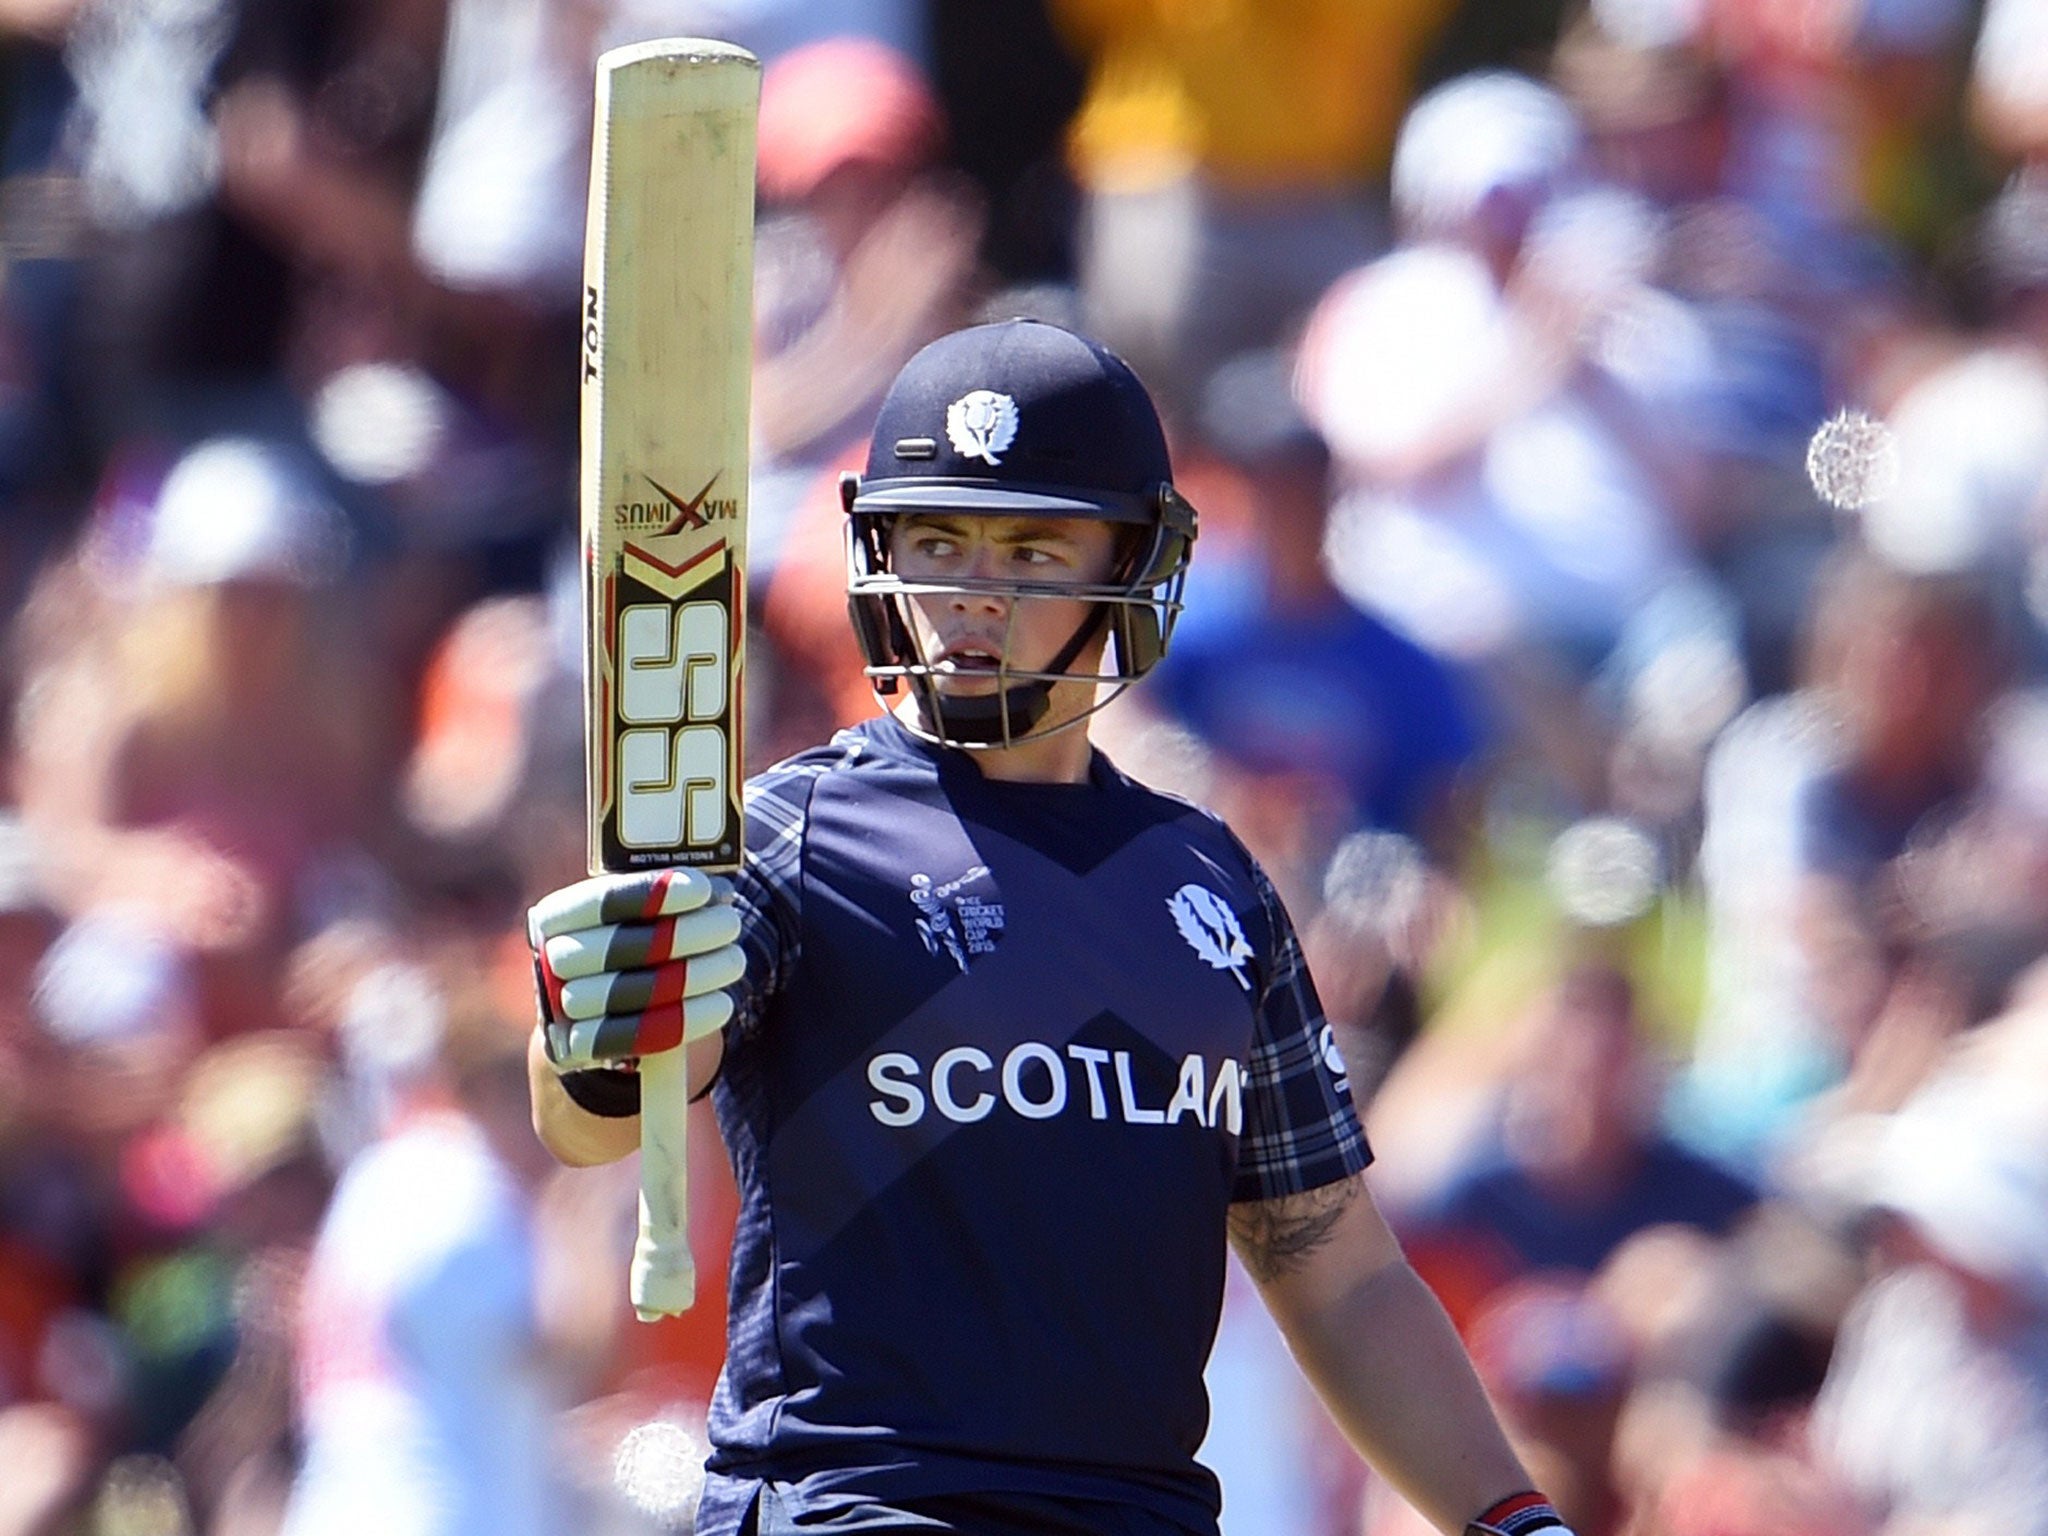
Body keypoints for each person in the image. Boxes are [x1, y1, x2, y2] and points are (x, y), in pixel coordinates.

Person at [524, 318, 1573, 1536]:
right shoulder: (786, 838)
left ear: (1130, 563)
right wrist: (602, 1020)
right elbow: (605, 1115)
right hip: (857, 1506)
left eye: (1031, 549)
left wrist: (1506, 1519)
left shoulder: (1211, 884)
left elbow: (1334, 1267)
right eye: (937, 542)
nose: (974, 594)